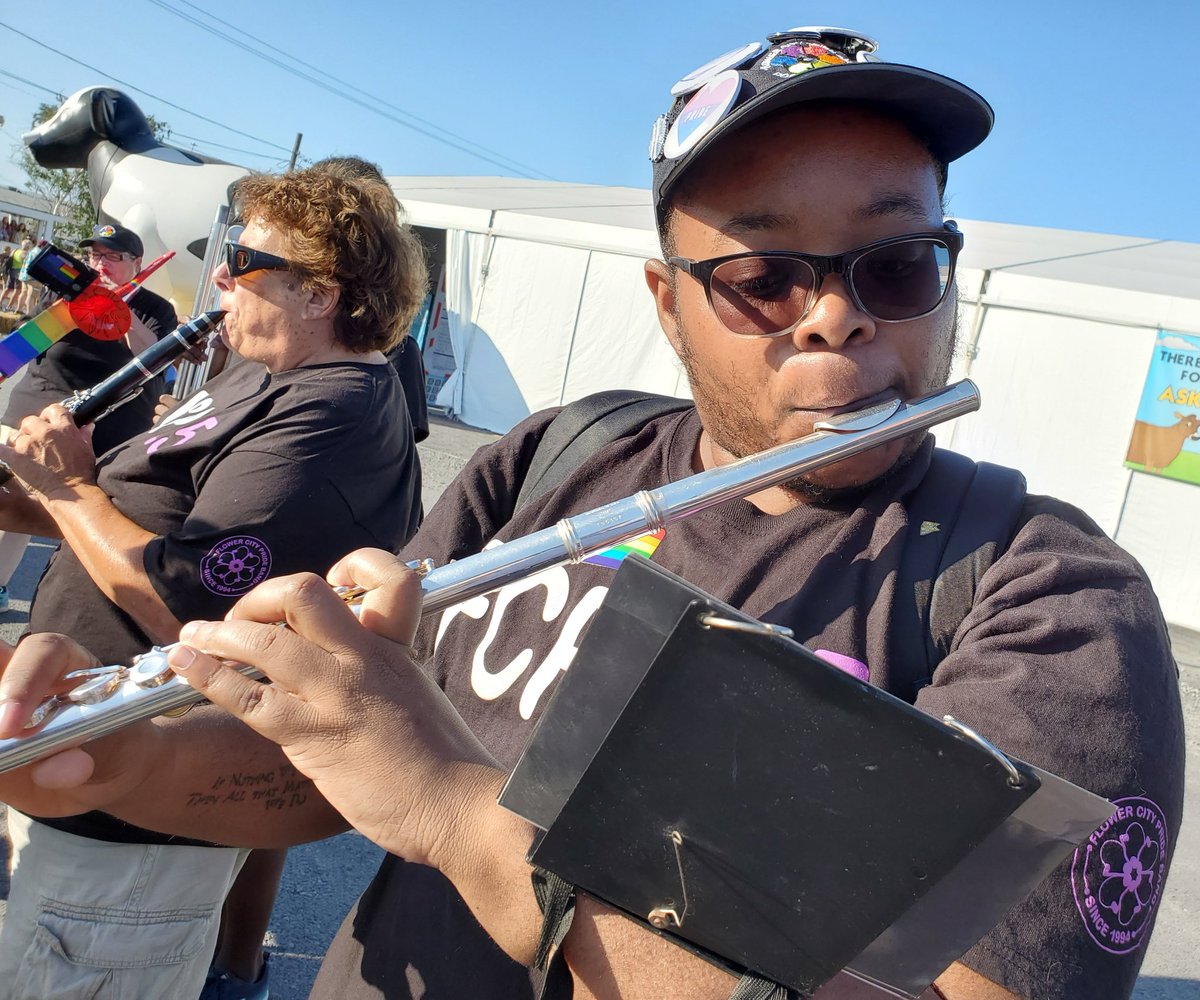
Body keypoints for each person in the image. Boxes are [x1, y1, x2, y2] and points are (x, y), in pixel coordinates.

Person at [0, 26, 1186, 1000]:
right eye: (765, 277)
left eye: (894, 265)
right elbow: (332, 771)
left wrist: (463, 815)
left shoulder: (1051, 598)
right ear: (669, 305)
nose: (833, 317)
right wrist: (107, 759)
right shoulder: (562, 452)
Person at [0, 166, 426, 999]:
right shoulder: (256, 373)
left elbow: (189, 608)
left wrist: (66, 485)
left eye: (245, 258)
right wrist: (30, 499)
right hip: (72, 754)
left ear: (320, 295)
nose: (221, 275)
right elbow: (135, 518)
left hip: (134, 827)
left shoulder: (334, 414)